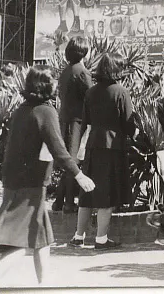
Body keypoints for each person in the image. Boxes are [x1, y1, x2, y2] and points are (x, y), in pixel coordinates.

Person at [0, 66, 96, 287]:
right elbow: (59, 150)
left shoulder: (23, 109)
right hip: (30, 184)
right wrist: (79, 175)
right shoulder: (46, 111)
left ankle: (45, 283)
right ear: (48, 87)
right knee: (20, 245)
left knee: (41, 239)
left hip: (17, 181)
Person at [71, 53, 136, 250]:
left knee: (87, 193)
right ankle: (101, 239)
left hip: (93, 144)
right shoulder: (121, 92)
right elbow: (128, 122)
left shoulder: (90, 92)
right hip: (112, 147)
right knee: (106, 194)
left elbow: (86, 119)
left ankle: (78, 236)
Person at [54, 35, 93, 212]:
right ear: (84, 52)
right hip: (78, 121)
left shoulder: (66, 71)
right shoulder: (82, 72)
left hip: (64, 119)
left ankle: (59, 200)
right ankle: (69, 202)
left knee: (67, 160)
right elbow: (90, 97)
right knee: (74, 161)